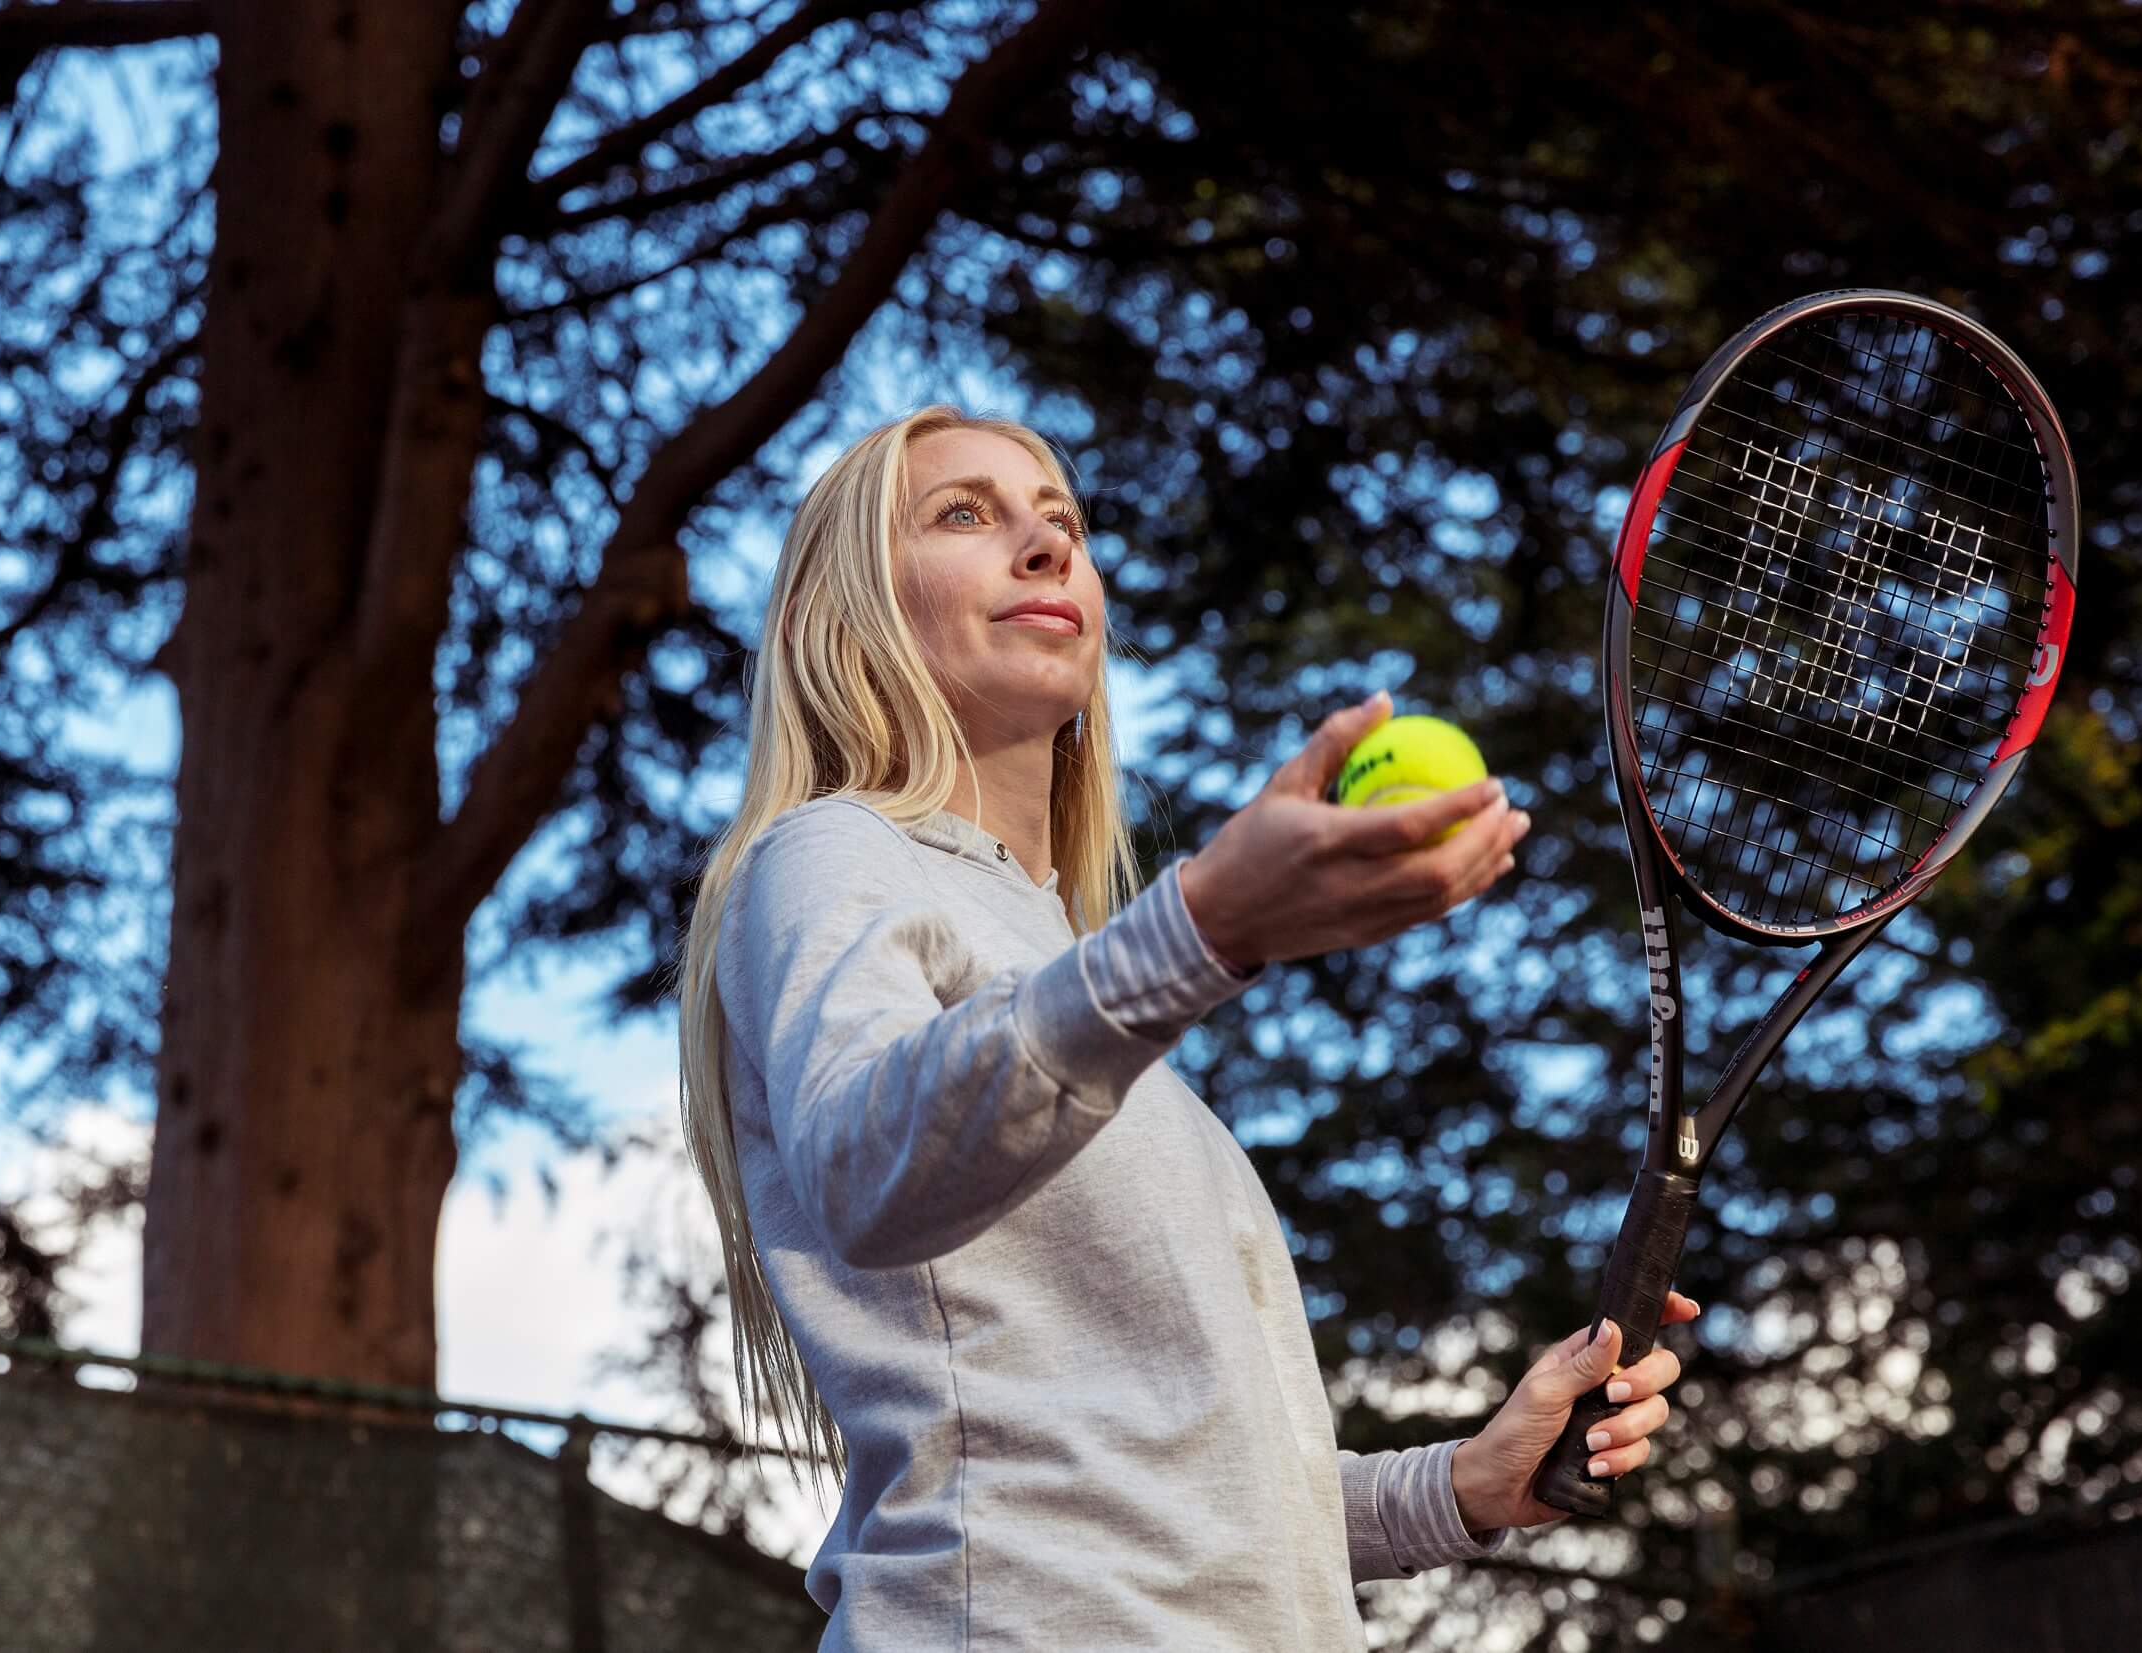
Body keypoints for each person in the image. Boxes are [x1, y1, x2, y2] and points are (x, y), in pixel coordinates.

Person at [674, 407, 1698, 1649]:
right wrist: (1203, 927)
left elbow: (1181, 1482)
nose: (1048, 547)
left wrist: (1461, 1484)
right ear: (845, 616)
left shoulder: (1068, 974)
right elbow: (859, 1170)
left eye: (1063, 524)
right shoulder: (829, 851)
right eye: (963, 514)